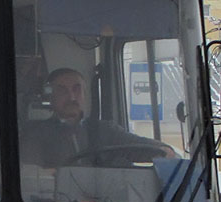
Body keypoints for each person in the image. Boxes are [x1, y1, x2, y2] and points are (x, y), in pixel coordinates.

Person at [24, 68, 171, 168]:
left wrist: (163, 150)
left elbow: (141, 147)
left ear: (85, 94)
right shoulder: (36, 134)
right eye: (62, 90)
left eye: (77, 89)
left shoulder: (106, 130)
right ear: (50, 97)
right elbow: (31, 173)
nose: (72, 97)